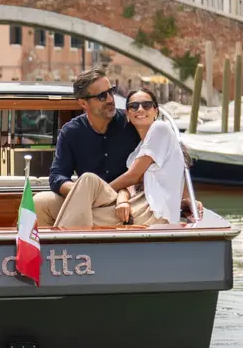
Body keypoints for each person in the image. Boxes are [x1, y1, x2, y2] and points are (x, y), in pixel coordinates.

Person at [51, 87, 202, 229]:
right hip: (136, 206)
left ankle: (60, 245)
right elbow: (130, 185)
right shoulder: (137, 152)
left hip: (154, 212)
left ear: (155, 111)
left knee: (85, 190)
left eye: (147, 105)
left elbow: (133, 176)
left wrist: (99, 192)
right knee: (49, 204)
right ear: (128, 114)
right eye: (134, 106)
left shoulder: (160, 128)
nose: (140, 109)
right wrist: (122, 198)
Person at [33, 68, 141, 226]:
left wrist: (122, 194)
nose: (110, 99)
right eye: (102, 96)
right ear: (83, 103)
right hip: (88, 201)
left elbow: (150, 163)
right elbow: (57, 176)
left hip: (124, 198)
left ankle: (71, 239)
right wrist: (81, 192)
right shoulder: (71, 132)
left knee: (88, 181)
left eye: (111, 91)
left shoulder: (131, 124)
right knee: (40, 202)